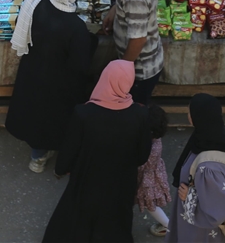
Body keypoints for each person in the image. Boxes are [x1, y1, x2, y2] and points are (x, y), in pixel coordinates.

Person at [43, 60, 152, 243]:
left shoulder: (84, 113)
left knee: (79, 220)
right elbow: (142, 154)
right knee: (115, 223)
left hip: (87, 178)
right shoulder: (140, 115)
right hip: (122, 181)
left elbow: (70, 148)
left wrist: (61, 169)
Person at [6, 0, 94, 173]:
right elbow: (80, 64)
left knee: (36, 117)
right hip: (60, 83)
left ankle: (37, 158)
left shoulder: (36, 3)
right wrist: (93, 40)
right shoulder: (76, 26)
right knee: (56, 121)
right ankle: (62, 158)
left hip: (33, 72)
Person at [96, 0, 164, 105]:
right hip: (148, 58)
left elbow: (138, 40)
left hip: (140, 71)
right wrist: (115, 10)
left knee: (135, 113)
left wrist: (122, 70)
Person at [167, 94, 225, 243]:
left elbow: (223, 210)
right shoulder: (210, 137)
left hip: (202, 231)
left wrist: (190, 197)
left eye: (190, 112)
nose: (188, 115)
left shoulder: (209, 167)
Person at [137, 103, 173, 237]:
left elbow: (141, 163)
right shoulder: (157, 140)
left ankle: (169, 226)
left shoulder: (150, 146)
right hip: (151, 175)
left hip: (147, 180)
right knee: (149, 205)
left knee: (150, 205)